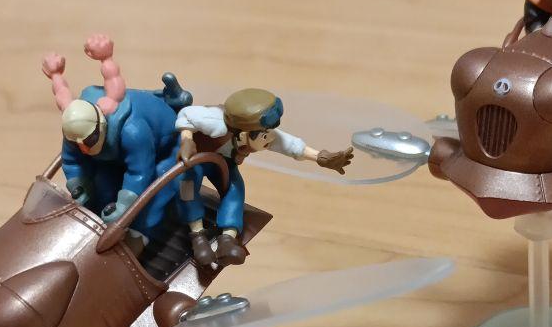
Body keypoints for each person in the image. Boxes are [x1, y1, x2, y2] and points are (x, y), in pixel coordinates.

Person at [173, 89, 353, 266]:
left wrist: (321, 157)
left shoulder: (263, 134)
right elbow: (186, 114)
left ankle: (227, 240)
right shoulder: (216, 124)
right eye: (265, 135)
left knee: (235, 189)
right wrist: (187, 141)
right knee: (186, 189)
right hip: (194, 159)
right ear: (244, 135)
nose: (271, 138)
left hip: (223, 162)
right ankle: (197, 235)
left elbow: (291, 145)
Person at [42, 35, 181, 240]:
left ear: (101, 126)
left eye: (88, 141)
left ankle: (140, 239)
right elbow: (72, 160)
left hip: (164, 150)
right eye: (78, 143)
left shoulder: (133, 132)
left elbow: (139, 172)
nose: (84, 148)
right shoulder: (76, 129)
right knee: (102, 188)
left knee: (151, 199)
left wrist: (124, 206)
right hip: (115, 157)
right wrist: (79, 186)